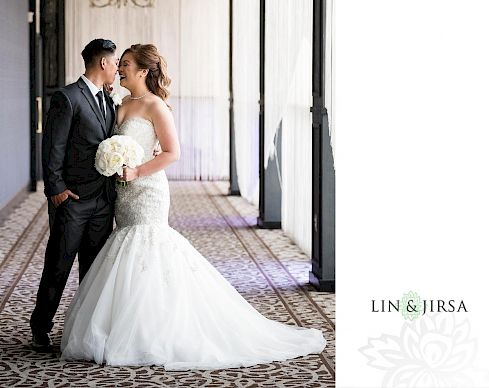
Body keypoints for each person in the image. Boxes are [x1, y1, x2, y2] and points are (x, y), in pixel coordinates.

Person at [60, 43, 326, 369]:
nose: (121, 69)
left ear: (143, 71)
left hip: (147, 190)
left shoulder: (156, 106)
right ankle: (129, 324)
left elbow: (172, 153)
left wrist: (137, 171)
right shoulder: (120, 102)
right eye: (120, 64)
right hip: (122, 192)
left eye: (126, 64)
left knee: (146, 248)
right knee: (126, 247)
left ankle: (154, 329)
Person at [30, 39, 119, 352]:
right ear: (103, 63)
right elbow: (53, 146)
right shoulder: (66, 97)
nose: (117, 67)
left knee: (93, 268)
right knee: (59, 264)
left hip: (103, 201)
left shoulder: (109, 100)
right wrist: (55, 190)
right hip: (73, 200)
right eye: (115, 61)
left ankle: (84, 327)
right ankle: (40, 325)